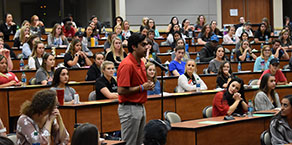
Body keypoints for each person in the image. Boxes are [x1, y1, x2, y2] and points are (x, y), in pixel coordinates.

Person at [117, 33, 155, 145]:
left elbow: (141, 83)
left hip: (140, 106)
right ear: (134, 47)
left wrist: (148, 85)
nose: (146, 47)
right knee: (130, 143)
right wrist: (142, 87)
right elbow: (121, 90)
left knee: (139, 142)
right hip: (129, 108)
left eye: (147, 44)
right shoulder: (127, 64)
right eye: (143, 45)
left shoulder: (141, 62)